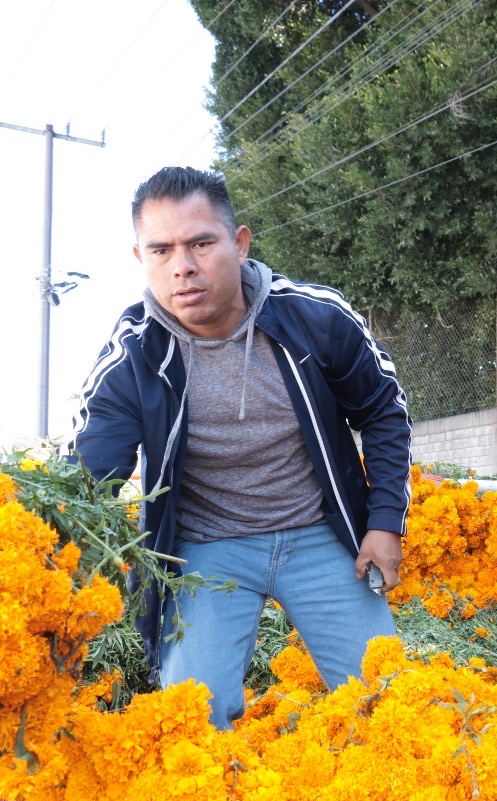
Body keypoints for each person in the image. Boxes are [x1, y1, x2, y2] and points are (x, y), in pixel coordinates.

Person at [67, 166, 412, 729]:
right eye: (161, 250)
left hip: (320, 538)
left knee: (390, 700)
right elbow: (91, 467)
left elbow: (383, 412)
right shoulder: (134, 353)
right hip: (208, 549)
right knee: (193, 719)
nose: (182, 265)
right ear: (140, 259)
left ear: (239, 241)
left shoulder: (314, 317)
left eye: (201, 242)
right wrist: (55, 543)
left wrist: (384, 521)